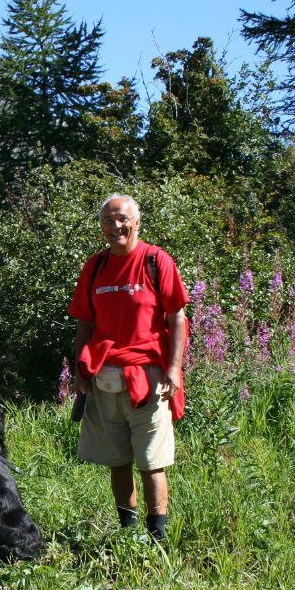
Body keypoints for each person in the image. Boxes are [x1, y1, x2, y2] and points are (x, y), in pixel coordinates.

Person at [68, 194, 189, 542]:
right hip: (104, 376)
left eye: (122, 218)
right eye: (107, 221)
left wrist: (173, 369)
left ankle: (158, 535)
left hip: (149, 378)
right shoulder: (95, 266)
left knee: (152, 461)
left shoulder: (156, 261)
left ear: (136, 222)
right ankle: (129, 533)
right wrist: (81, 373)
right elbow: (84, 323)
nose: (115, 226)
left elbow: (177, 317)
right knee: (117, 460)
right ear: (101, 227)